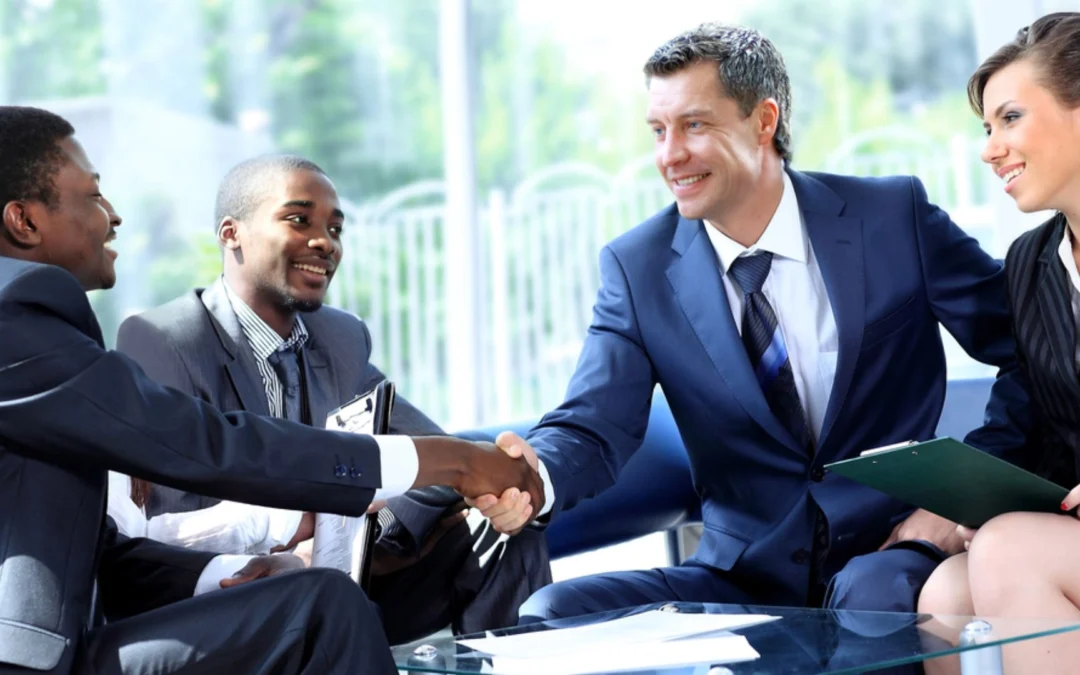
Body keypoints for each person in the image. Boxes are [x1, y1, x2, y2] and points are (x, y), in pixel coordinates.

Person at [469, 22, 1031, 622]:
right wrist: (535, 474)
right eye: (659, 131)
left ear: (763, 122)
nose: (670, 155)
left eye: (694, 125)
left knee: (870, 599)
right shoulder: (638, 269)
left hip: (890, 552)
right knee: (555, 610)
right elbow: (593, 424)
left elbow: (1031, 350)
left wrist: (959, 497)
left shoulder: (893, 217)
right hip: (741, 574)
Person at [0, 106, 543, 675]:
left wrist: (235, 571)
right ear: (24, 221)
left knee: (334, 594)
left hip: (81, 633)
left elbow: (100, 551)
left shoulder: (339, 335)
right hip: (34, 657)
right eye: (93, 196)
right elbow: (207, 446)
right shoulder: (23, 319)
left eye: (335, 228)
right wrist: (453, 460)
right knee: (321, 608)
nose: (112, 217)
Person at [111, 153, 551, 643]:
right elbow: (169, 533)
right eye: (298, 220)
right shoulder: (164, 340)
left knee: (505, 535)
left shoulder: (338, 337)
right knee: (323, 594)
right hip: (238, 601)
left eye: (335, 228)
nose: (325, 242)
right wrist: (290, 548)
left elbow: (431, 457)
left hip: (340, 582)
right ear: (231, 233)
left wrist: (361, 543)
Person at [917, 12, 1080, 674]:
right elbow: (1034, 415)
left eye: (1009, 118)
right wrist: (971, 496)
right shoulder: (1029, 262)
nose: (989, 148)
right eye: (987, 128)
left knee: (1010, 551)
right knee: (945, 594)